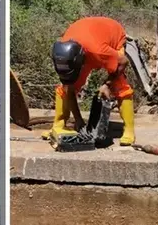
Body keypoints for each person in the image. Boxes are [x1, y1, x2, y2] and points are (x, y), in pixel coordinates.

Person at [48, 16, 136, 146]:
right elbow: (69, 86)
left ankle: (129, 130)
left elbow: (123, 62)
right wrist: (78, 120)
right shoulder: (64, 50)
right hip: (88, 38)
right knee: (66, 87)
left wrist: (107, 84)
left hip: (112, 34)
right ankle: (59, 124)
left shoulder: (99, 51)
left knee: (119, 85)